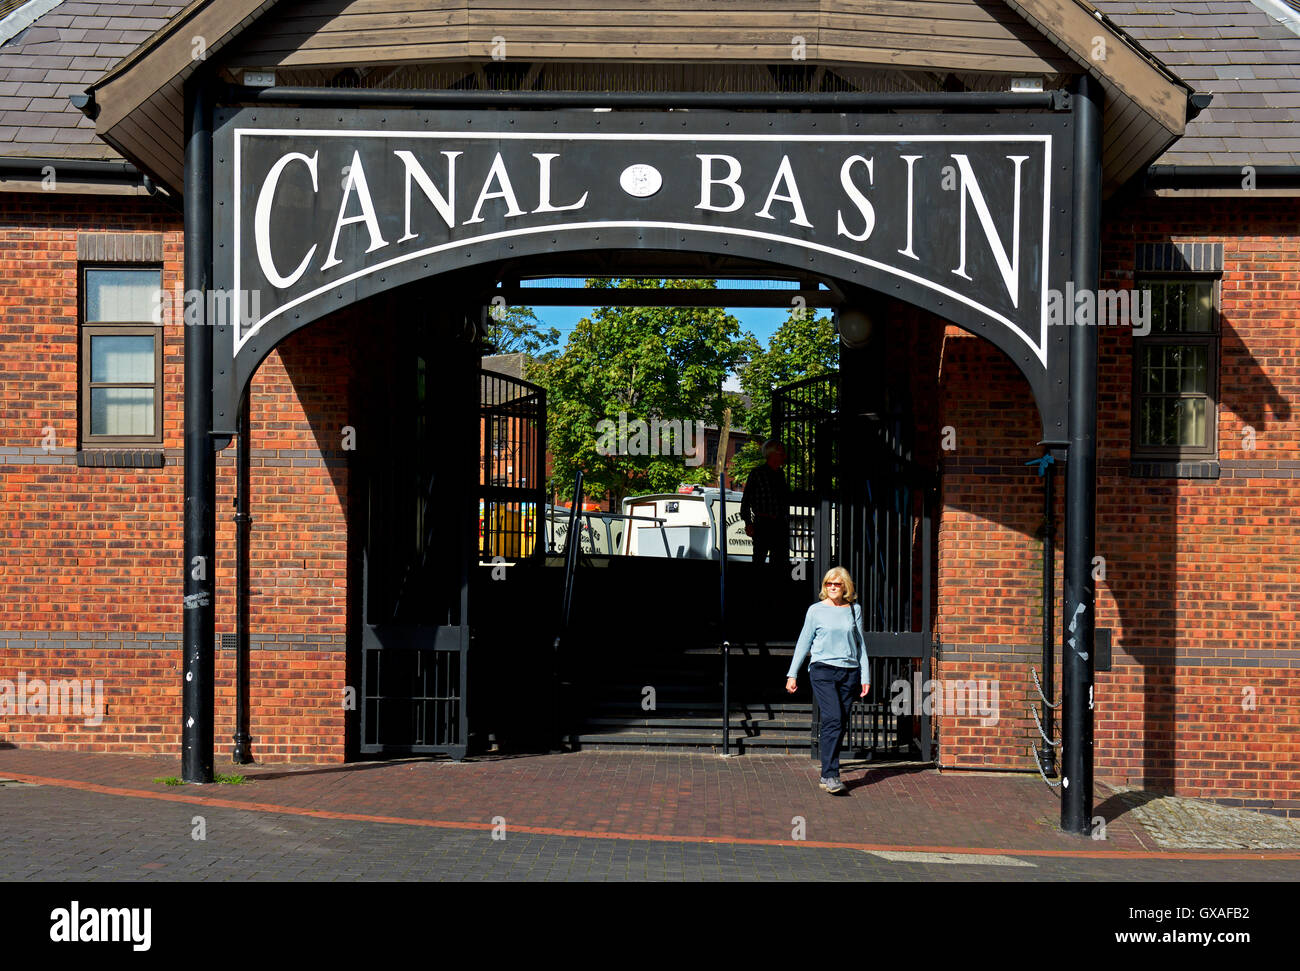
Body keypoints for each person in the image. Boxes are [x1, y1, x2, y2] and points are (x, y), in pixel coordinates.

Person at [785, 566, 870, 794]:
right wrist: (792, 673)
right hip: (823, 670)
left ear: (845, 587)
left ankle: (827, 772)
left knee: (840, 722)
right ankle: (831, 774)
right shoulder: (815, 611)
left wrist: (865, 676)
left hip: (849, 672)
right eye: (828, 584)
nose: (832, 587)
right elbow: (804, 642)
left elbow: (860, 645)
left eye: (837, 584)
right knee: (833, 718)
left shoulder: (854, 610)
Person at [740, 438, 790, 570]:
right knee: (759, 561)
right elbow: (746, 501)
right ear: (772, 454)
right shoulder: (757, 473)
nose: (784, 456)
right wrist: (748, 523)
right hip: (763, 523)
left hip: (778, 524)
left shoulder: (780, 474)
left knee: (779, 562)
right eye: (781, 453)